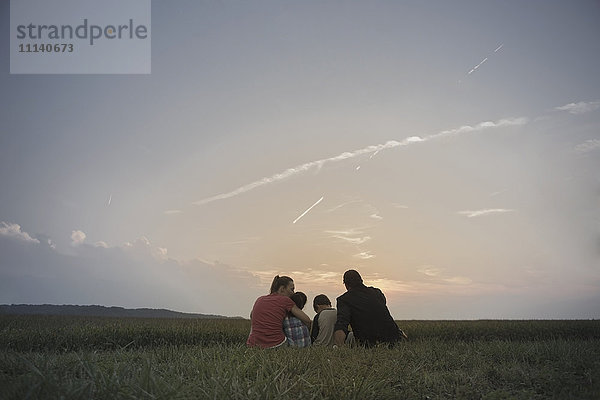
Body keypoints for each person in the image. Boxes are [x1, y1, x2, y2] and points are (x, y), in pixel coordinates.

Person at [334, 269, 408, 347]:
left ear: (346, 285)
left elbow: (341, 324)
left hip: (370, 344)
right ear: (361, 280)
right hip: (395, 340)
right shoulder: (377, 293)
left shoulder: (344, 300)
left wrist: (338, 348)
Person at [247, 275, 311, 349]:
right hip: (276, 344)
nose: (293, 293)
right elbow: (307, 320)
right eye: (292, 289)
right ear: (282, 289)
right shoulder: (286, 300)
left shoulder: (260, 299)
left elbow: (252, 316)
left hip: (253, 344)